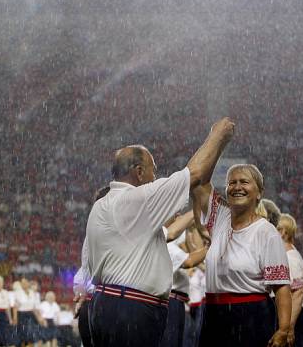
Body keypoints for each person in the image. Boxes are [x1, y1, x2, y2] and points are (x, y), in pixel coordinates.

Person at [86, 117, 234, 347]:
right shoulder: (135, 200)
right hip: (130, 308)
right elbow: (195, 173)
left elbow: (170, 233)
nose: (155, 177)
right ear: (139, 172)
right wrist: (218, 135)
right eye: (153, 171)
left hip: (106, 304)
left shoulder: (103, 206)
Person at [193, 163, 293, 347]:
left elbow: (281, 287)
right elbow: (199, 181)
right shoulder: (220, 218)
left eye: (244, 182)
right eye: (232, 183)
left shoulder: (266, 232)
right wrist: (220, 138)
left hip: (251, 315)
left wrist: (284, 329)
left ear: (259, 193)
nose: (237, 187)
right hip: (213, 314)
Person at [162, 212, 208, 347]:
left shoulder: (167, 241)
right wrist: (210, 247)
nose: (178, 218)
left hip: (174, 301)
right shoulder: (165, 243)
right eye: (174, 215)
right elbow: (188, 261)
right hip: (171, 301)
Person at [72, 186, 110, 347]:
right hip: (107, 303)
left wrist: (81, 293)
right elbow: (83, 272)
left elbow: (82, 273)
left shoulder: (92, 230)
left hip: (93, 303)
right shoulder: (104, 231)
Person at [277, 214, 303, 347]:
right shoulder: (284, 253)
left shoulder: (291, 257)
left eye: (277, 229)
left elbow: (299, 292)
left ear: (284, 231)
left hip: (291, 316)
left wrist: (289, 327)